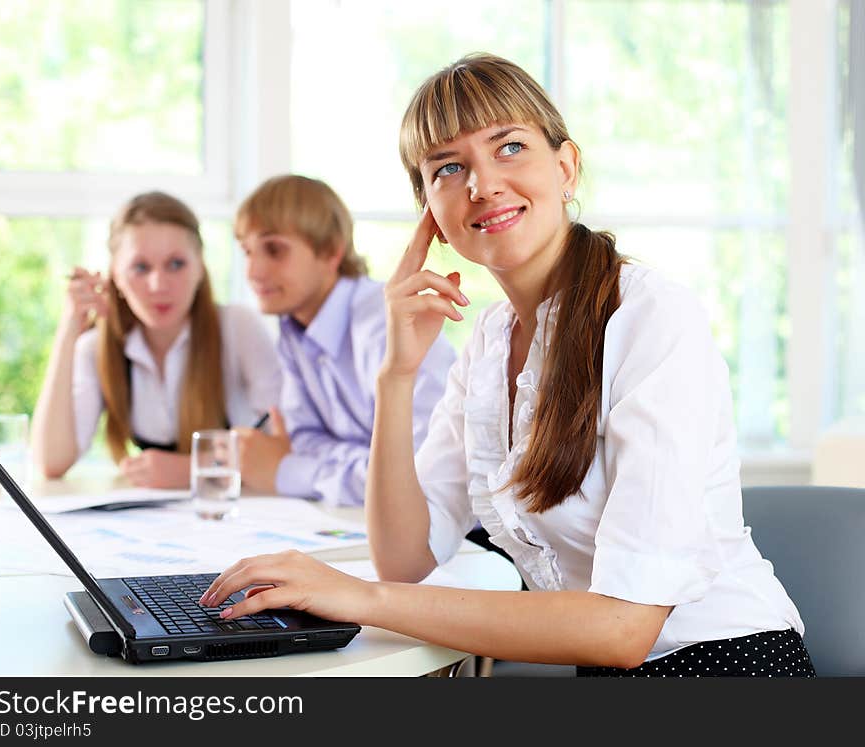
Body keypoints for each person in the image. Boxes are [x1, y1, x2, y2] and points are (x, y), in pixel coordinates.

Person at [200, 55, 815, 676]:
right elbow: (408, 559)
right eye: (449, 167)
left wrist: (363, 600)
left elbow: (625, 627)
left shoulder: (651, 317)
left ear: (566, 166)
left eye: (510, 147)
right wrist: (397, 376)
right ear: (431, 214)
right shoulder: (491, 342)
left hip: (727, 664)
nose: (484, 184)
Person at [31, 191, 282, 489]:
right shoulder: (97, 349)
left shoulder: (238, 328)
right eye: (140, 267)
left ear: (200, 267)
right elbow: (52, 461)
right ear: (116, 275)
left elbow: (284, 449)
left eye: (176, 264)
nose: (158, 285)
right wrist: (69, 329)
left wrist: (190, 470)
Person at [231, 175, 456, 506]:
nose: (253, 271)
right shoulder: (293, 326)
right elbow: (305, 439)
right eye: (247, 251)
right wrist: (364, 460)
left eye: (274, 249)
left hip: (465, 533)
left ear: (331, 251)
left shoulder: (385, 324)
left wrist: (287, 470)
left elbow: (418, 476)